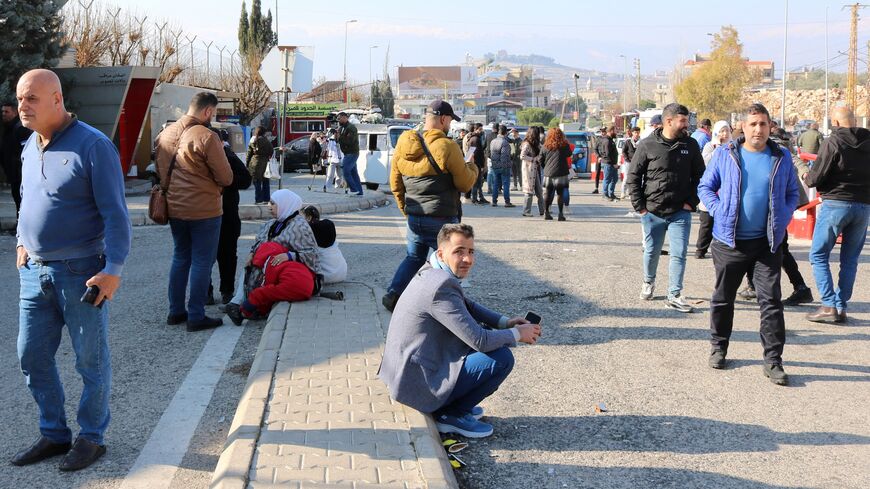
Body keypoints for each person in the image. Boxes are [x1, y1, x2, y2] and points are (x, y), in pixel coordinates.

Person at [12, 69, 132, 471]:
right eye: (19, 98)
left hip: (81, 272)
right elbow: (27, 197)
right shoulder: (30, 143)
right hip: (34, 273)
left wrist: (113, 269)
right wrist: (21, 240)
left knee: (90, 362)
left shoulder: (94, 146)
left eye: (31, 98)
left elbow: (116, 215)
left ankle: (92, 438)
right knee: (31, 356)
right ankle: (53, 433)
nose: (22, 106)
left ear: (57, 99)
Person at [379, 223, 541, 438]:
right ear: (441, 252)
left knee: (486, 345)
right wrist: (518, 334)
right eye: (459, 252)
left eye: (471, 251)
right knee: (501, 358)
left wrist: (505, 323)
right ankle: (452, 415)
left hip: (407, 369)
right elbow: (480, 340)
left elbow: (467, 304)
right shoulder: (440, 285)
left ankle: (455, 401)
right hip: (417, 382)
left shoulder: (432, 269)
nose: (467, 259)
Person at [698, 103, 799, 386]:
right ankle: (719, 347)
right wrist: (718, 210)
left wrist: (784, 216)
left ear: (769, 127)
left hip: (766, 245)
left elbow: (793, 192)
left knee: (771, 303)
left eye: (763, 124)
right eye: (753, 124)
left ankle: (773, 361)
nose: (758, 129)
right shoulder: (726, 154)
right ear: (743, 126)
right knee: (722, 299)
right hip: (729, 242)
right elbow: (705, 187)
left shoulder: (781, 157)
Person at [381, 101, 478, 311]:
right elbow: (464, 183)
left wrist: (406, 211)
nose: (450, 125)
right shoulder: (447, 146)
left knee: (414, 257)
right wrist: (472, 167)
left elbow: (395, 183)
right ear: (443, 119)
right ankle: (452, 305)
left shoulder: (404, 143)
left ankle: (394, 294)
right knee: (450, 263)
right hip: (442, 217)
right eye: (450, 120)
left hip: (415, 217)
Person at [155, 92, 233, 332]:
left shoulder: (165, 133)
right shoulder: (207, 136)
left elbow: (159, 168)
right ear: (208, 111)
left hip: (174, 207)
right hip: (204, 210)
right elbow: (226, 177)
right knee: (201, 261)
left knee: (180, 257)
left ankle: (176, 311)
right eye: (215, 113)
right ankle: (196, 315)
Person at [625, 103, 705, 313]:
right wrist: (640, 207)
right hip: (652, 211)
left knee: (679, 253)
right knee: (652, 251)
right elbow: (633, 176)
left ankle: (674, 294)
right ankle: (648, 282)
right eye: (683, 121)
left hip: (681, 211)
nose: (687, 125)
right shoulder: (647, 144)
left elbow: (701, 176)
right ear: (669, 121)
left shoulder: (691, 145)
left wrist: (691, 202)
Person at [804, 106, 870, 323]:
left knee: (818, 254)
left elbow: (815, 178)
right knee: (850, 260)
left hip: (836, 204)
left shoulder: (833, 141)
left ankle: (828, 305)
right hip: (863, 206)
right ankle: (841, 307)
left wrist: (806, 174)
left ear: (836, 122)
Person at [225, 189, 320, 325]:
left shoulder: (300, 226)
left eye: (273, 204)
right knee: (250, 263)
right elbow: (259, 243)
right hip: (267, 264)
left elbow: (313, 254)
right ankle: (238, 302)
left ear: (285, 204)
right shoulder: (273, 223)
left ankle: (245, 305)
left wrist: (289, 255)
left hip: (287, 270)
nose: (269, 206)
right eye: (270, 203)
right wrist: (252, 253)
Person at [208, 128, 252, 306]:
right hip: (206, 215)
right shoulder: (197, 157)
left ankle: (227, 290)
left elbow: (246, 179)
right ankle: (205, 292)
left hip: (227, 214)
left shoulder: (228, 156)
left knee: (227, 255)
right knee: (204, 257)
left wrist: (226, 180)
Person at [696, 120, 732, 259]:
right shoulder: (709, 146)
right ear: (716, 132)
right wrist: (718, 148)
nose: (724, 133)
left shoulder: (734, 146)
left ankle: (723, 250)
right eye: (722, 131)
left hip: (726, 189)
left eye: (727, 130)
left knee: (724, 222)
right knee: (706, 223)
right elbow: (705, 161)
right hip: (712, 188)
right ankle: (701, 249)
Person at [301, 205, 348, 284]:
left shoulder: (309, 233)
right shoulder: (326, 230)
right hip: (342, 273)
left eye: (301, 218)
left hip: (324, 277)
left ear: (308, 218)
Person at [2, 101, 32, 215]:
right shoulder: (8, 128)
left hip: (20, 175)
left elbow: (26, 153)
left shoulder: (20, 128)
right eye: (2, 111)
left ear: (15, 112)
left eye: (6, 111)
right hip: (14, 175)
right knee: (17, 200)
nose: (3, 114)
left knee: (22, 201)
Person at [541, 127, 572, 221]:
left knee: (547, 193)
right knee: (560, 194)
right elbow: (569, 154)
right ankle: (560, 214)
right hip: (561, 173)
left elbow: (540, 159)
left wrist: (545, 168)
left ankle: (546, 213)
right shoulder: (564, 145)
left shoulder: (545, 146)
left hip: (548, 173)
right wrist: (565, 141)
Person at [520, 126, 545, 217]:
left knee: (539, 191)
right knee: (529, 191)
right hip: (528, 170)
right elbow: (522, 156)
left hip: (535, 170)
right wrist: (533, 159)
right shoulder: (527, 144)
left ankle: (543, 210)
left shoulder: (536, 143)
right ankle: (526, 211)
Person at [337, 111, 363, 196]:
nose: (338, 120)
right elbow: (339, 140)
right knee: (353, 173)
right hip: (347, 153)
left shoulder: (351, 128)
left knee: (345, 171)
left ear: (345, 118)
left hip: (352, 153)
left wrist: (340, 137)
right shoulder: (341, 128)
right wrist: (336, 137)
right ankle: (359, 192)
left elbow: (350, 141)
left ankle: (354, 189)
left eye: (339, 118)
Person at [488, 125, 514, 207]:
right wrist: (508, 165)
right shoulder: (505, 142)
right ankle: (507, 202)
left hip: (495, 165)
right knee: (506, 183)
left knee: (496, 183)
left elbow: (491, 154)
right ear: (505, 132)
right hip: (504, 166)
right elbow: (504, 156)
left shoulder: (493, 141)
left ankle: (494, 201)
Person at [246, 126, 273, 204]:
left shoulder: (252, 141)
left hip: (254, 163)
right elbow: (271, 151)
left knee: (257, 182)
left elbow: (249, 154)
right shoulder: (266, 141)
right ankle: (266, 199)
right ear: (264, 133)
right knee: (266, 181)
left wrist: (247, 164)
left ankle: (258, 200)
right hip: (265, 163)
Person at [466, 123, 488, 204]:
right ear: (476, 129)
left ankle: (479, 198)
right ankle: (474, 199)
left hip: (475, 163)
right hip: (476, 164)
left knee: (478, 182)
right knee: (476, 182)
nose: (481, 131)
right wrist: (481, 165)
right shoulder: (475, 139)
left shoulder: (473, 138)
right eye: (480, 129)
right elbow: (476, 154)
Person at [598, 125, 618, 201]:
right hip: (608, 163)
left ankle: (611, 194)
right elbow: (607, 154)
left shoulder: (610, 140)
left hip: (612, 163)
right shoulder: (607, 141)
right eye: (615, 131)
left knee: (614, 179)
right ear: (611, 131)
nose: (616, 132)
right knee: (607, 179)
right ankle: (605, 194)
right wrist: (613, 164)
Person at [620, 127, 640, 200]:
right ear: (632, 133)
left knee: (634, 178)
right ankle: (623, 192)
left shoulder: (641, 142)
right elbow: (624, 151)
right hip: (628, 162)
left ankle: (631, 193)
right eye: (635, 132)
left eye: (638, 132)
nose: (637, 134)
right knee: (626, 178)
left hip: (637, 163)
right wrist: (627, 159)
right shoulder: (628, 142)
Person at [591, 126, 606, 194]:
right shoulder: (598, 139)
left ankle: (605, 189)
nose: (603, 133)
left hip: (606, 159)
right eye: (602, 132)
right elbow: (595, 149)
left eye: (604, 132)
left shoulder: (609, 139)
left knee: (606, 174)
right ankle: (596, 188)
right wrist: (598, 156)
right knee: (597, 173)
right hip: (599, 158)